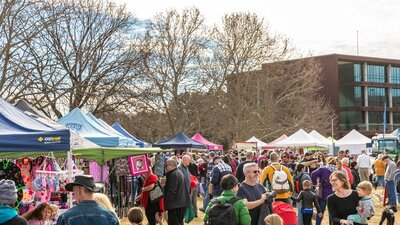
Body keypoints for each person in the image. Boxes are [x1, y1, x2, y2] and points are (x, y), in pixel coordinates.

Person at [164, 159, 190, 225]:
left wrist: (165, 204)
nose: (165, 168)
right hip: (181, 203)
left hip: (175, 205)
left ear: (170, 166)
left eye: (166, 166)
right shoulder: (178, 172)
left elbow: (171, 191)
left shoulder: (173, 174)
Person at [311, 157, 336, 225]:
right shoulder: (336, 171)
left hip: (323, 194)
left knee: (320, 211)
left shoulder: (322, 169)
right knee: (332, 212)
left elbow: (313, 174)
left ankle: (317, 224)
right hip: (333, 193)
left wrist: (315, 183)